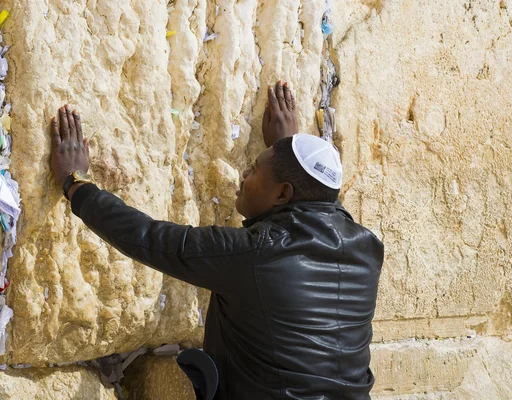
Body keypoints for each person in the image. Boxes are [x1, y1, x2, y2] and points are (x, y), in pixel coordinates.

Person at [49, 80, 384, 399]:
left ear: (283, 193)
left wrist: (77, 183)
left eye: (254, 170)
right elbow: (319, 198)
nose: (244, 175)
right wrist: (288, 153)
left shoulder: (255, 254)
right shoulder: (367, 249)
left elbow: (152, 239)